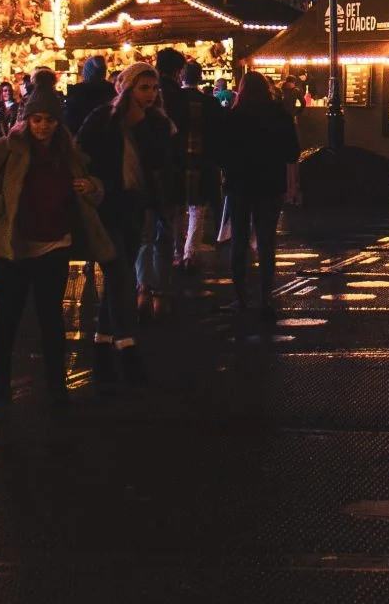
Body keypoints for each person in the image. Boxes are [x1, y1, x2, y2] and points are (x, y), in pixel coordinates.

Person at [0, 88, 114, 406]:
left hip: (55, 244)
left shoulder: (67, 152)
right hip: (11, 247)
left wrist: (91, 187)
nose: (43, 126)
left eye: (49, 120)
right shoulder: (5, 149)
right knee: (9, 317)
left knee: (50, 317)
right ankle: (0, 383)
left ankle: (56, 385)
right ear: (26, 119)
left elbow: (94, 183)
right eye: (37, 119)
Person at [74, 65, 175, 382]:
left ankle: (103, 343)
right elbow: (81, 153)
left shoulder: (157, 123)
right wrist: (90, 186)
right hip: (106, 206)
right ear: (127, 88)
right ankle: (127, 344)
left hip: (137, 207)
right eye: (144, 87)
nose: (150, 94)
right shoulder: (103, 119)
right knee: (119, 271)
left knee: (121, 273)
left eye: (153, 88)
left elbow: (161, 163)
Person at [217, 71, 300, 313]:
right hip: (270, 185)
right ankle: (265, 296)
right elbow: (292, 153)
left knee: (239, 240)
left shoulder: (232, 116)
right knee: (266, 241)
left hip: (239, 185)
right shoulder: (280, 115)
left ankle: (240, 297)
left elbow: (221, 154)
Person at [156, 48, 220, 282]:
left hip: (173, 163)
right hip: (200, 163)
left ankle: (175, 252)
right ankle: (189, 254)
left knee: (174, 210)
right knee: (196, 209)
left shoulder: (165, 97)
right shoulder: (207, 103)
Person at [65, 56, 116, 133]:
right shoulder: (112, 89)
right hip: (107, 133)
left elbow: (71, 117)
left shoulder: (77, 90)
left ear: (86, 71)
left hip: (82, 134)